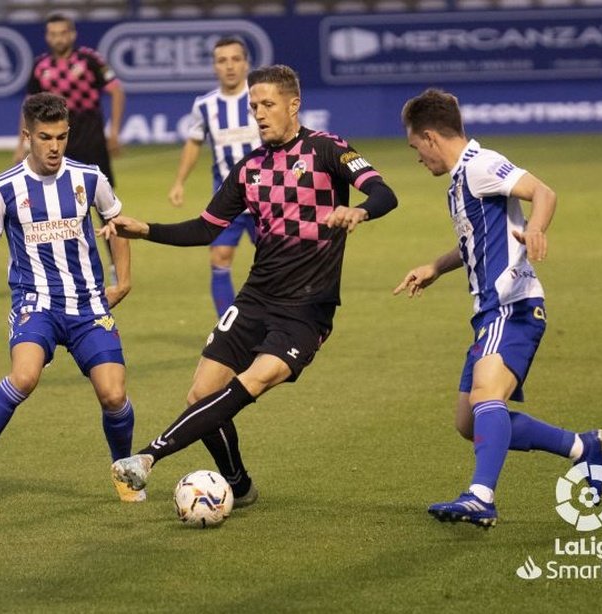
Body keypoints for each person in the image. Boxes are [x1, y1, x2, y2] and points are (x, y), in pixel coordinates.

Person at [104, 65, 398, 506]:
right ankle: (238, 486)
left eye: (267, 105)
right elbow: (205, 228)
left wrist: (360, 211)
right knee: (201, 393)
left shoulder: (327, 149)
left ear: (293, 105)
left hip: (306, 309)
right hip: (256, 298)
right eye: (253, 106)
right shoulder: (250, 168)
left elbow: (383, 192)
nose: (258, 114)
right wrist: (145, 229)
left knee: (250, 383)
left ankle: (147, 457)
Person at [394, 88, 602, 528]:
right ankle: (582, 448)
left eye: (416, 148)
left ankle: (480, 496)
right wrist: (436, 265)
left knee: (487, 398)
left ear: (431, 137)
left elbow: (543, 192)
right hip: (489, 313)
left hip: (511, 305)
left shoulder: (481, 165)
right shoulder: (460, 182)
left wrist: (538, 230)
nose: (419, 158)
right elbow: (474, 240)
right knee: (470, 423)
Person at [0, 93, 143, 504]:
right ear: (27, 135)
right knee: (25, 376)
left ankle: (124, 470)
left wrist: (123, 281)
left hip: (87, 304)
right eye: (45, 138)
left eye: (61, 137)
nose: (54, 147)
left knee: (114, 395)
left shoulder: (89, 178)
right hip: (36, 303)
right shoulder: (2, 188)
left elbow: (115, 222)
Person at [168, 37, 262, 317]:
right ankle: (229, 327)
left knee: (276, 261)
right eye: (222, 61)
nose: (230, 66)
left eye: (235, 59)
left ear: (246, 63)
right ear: (214, 67)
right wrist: (179, 182)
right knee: (219, 258)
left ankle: (283, 321)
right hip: (228, 197)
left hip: (266, 197)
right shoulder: (205, 105)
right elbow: (194, 142)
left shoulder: (261, 97)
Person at [14, 13, 124, 188]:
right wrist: (21, 145)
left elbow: (116, 91)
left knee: (103, 195)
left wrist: (114, 132)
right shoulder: (40, 66)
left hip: (91, 137)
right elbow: (28, 108)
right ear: (47, 37)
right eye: (53, 34)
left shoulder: (90, 60)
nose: (58, 39)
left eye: (63, 33)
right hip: (56, 139)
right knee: (60, 195)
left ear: (72, 34)